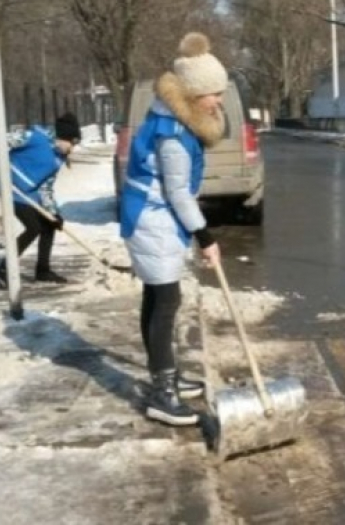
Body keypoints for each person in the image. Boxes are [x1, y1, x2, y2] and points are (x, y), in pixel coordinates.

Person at [120, 32, 225, 426]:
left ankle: (165, 376)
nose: (218, 101)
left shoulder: (168, 116)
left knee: (157, 298)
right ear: (194, 95)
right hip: (152, 221)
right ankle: (162, 393)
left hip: (151, 219)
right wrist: (206, 237)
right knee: (166, 302)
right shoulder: (174, 136)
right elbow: (179, 193)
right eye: (213, 94)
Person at [0, 112, 82, 286]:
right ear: (62, 137)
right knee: (33, 228)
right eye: (71, 142)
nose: (72, 148)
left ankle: (43, 270)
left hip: (29, 192)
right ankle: (2, 271)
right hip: (9, 188)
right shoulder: (34, 138)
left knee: (49, 225)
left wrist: (53, 213)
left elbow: (46, 187)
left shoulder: (58, 159)